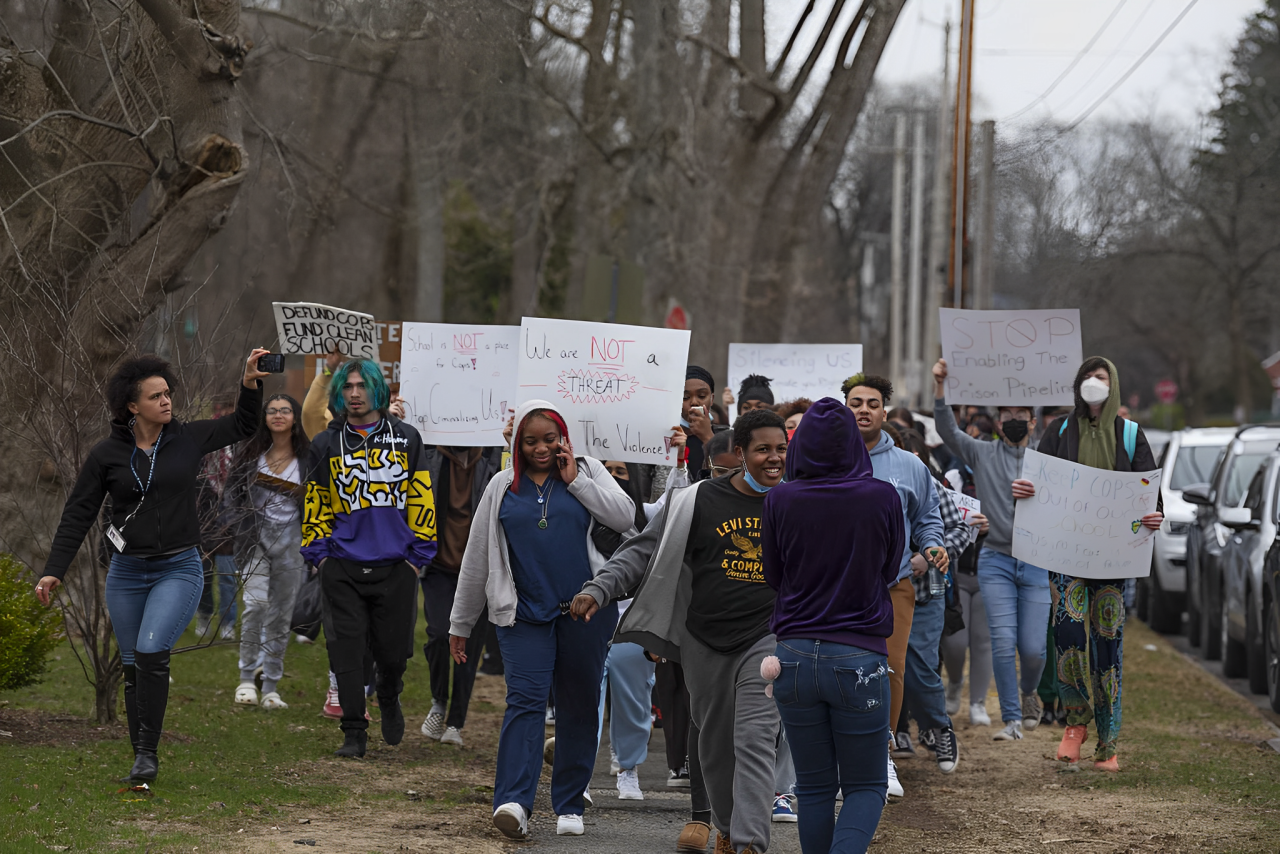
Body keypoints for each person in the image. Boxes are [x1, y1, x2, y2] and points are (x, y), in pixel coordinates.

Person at [36, 351, 266, 784]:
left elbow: (243, 425)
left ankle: (147, 756)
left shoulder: (188, 439)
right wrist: (55, 569)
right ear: (131, 405)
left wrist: (251, 384)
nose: (166, 401)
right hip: (126, 573)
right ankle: (140, 754)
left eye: (167, 393)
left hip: (177, 569)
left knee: (150, 652)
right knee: (131, 666)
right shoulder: (106, 454)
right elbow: (78, 512)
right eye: (155, 395)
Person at [572, 409, 789, 854]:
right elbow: (641, 550)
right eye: (763, 449)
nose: (774, 458)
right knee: (714, 745)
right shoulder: (696, 500)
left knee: (754, 737)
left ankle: (750, 844)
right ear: (740, 453)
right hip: (704, 639)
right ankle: (728, 830)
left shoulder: (794, 503)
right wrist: (601, 587)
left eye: (781, 449)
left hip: (767, 638)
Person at [448, 401, 637, 840]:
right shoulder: (500, 486)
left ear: (564, 439)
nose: (541, 448)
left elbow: (626, 517)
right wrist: (461, 622)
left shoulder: (587, 470)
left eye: (549, 439)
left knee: (578, 703)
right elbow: (477, 557)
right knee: (525, 703)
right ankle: (513, 801)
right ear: (517, 443)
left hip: (586, 612)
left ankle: (570, 801)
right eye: (530, 441)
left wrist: (577, 483)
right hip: (523, 616)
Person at [760, 397, 903, 854]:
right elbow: (890, 568)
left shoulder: (780, 498)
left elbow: (773, 575)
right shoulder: (882, 496)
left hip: (794, 656)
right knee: (865, 785)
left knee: (814, 786)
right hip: (859, 653)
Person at [1025, 357, 1162, 771]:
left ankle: (1109, 741)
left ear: (1113, 384)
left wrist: (1155, 514)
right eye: (1087, 377)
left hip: (1113, 557)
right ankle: (1075, 721)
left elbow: (1148, 490)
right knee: (1066, 635)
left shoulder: (1131, 434)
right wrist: (1025, 490)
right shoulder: (1060, 430)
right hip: (1066, 553)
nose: (1093, 383)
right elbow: (1040, 483)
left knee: (1108, 646)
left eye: (1100, 377)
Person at [301, 359, 437, 759]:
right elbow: (314, 503)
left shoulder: (407, 438)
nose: (355, 394)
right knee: (344, 650)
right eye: (347, 387)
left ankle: (390, 695)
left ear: (378, 390)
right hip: (341, 564)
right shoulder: (326, 444)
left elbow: (421, 496)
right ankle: (354, 731)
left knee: (392, 652)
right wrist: (320, 556)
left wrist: (417, 557)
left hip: (396, 566)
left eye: (362, 386)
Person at [931, 358, 1051, 741]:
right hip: (995, 560)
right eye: (1007, 415)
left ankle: (1029, 692)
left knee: (1032, 649)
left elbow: (1069, 504)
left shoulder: (1049, 459)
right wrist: (940, 386)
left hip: (1036, 562)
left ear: (1033, 422)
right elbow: (946, 430)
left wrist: (1041, 494)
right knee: (1002, 641)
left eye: (1022, 415)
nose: (1014, 419)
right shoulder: (982, 453)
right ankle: (1012, 720)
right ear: (999, 423)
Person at [842, 374, 947, 799]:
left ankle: (879, 755)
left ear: (885, 412)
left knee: (890, 668)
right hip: (834, 587)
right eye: (855, 402)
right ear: (844, 408)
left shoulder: (910, 465)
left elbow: (928, 517)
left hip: (893, 585)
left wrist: (933, 543)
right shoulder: (823, 459)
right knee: (842, 667)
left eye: (871, 403)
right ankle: (837, 758)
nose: (863, 409)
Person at [224, 393, 309, 710]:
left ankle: (271, 685)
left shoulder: (307, 460)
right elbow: (231, 496)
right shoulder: (249, 455)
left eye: (285, 410)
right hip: (255, 538)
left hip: (293, 541)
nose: (278, 415)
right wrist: (238, 526)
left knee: (281, 614)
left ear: (295, 418)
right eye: (271, 410)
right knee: (256, 604)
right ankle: (247, 679)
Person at [418, 441, 506, 747]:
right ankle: (438, 701)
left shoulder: (495, 459)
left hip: (480, 570)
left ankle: (456, 722)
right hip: (439, 567)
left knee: (470, 646)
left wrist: (508, 440)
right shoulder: (428, 454)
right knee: (440, 633)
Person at [195, 395, 240, 641]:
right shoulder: (202, 443)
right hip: (204, 517)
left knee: (227, 576)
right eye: (222, 408)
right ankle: (204, 614)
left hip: (231, 519)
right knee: (202, 574)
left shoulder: (242, 443)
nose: (226, 413)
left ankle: (228, 622)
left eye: (231, 408)